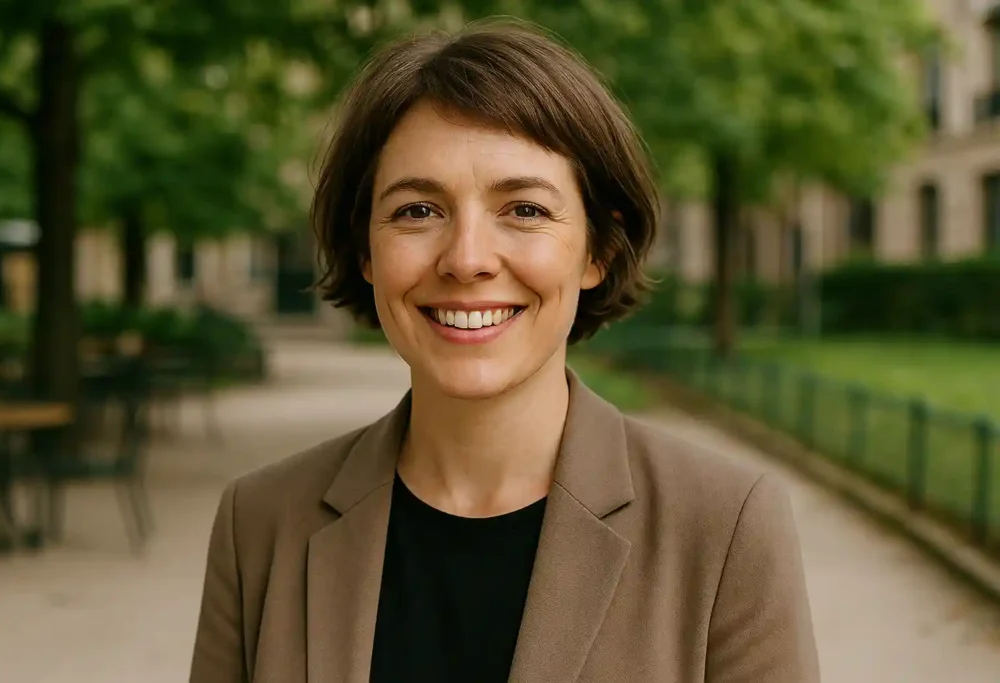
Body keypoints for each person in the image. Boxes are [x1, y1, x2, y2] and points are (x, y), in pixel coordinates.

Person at [188, 19, 820, 683]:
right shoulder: (259, 524)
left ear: (598, 250)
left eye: (523, 209)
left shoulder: (725, 527)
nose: (466, 259)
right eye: (417, 211)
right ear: (365, 249)